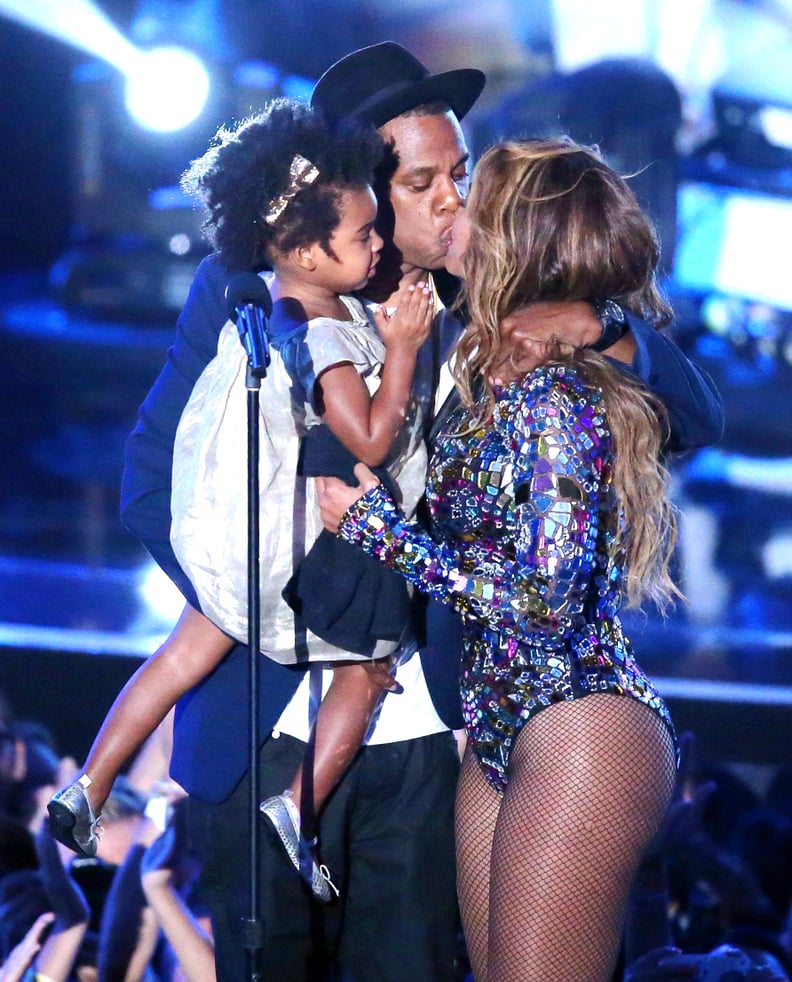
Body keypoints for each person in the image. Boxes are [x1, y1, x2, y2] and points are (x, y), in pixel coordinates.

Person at [118, 41, 724, 982]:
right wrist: (296, 610)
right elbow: (153, 494)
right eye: (425, 181)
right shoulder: (246, 291)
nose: (455, 200)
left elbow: (692, 417)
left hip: (435, 729)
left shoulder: (495, 296)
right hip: (270, 722)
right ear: (359, 196)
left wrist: (604, 326)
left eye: (463, 172)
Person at [316, 136, 695, 981]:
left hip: (578, 720)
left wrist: (382, 532)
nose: (450, 204)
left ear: (510, 237)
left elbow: (546, 604)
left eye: (469, 194)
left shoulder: (556, 394)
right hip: (496, 724)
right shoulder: (488, 359)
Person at [48, 98, 434, 903]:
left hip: (245, 535)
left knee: (181, 655)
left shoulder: (277, 297)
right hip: (297, 542)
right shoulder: (323, 326)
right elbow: (367, 438)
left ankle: (89, 784)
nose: (378, 246)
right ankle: (299, 805)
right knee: (369, 665)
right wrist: (400, 352)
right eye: (365, 236)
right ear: (303, 247)